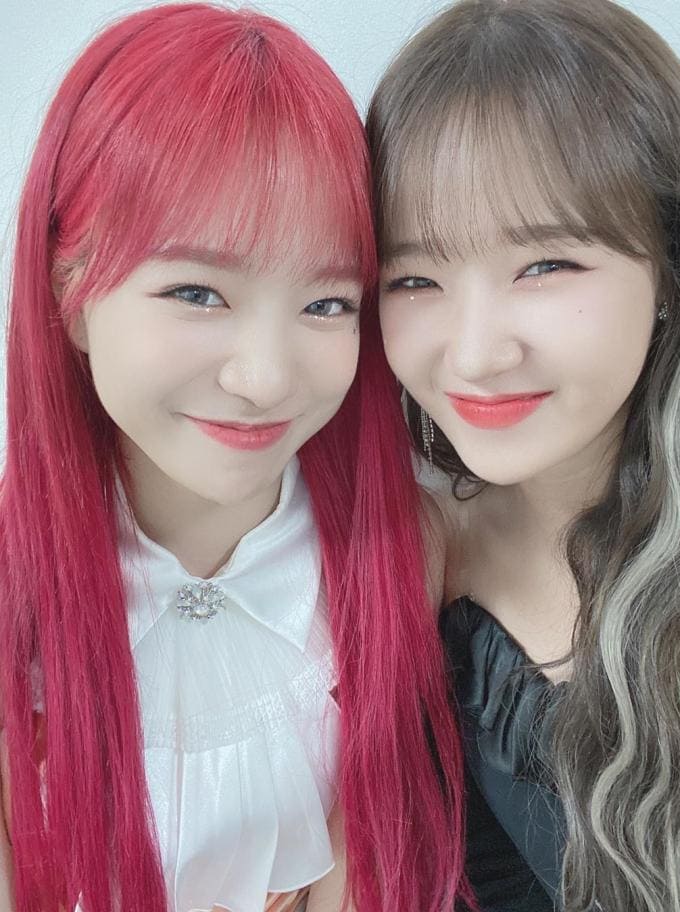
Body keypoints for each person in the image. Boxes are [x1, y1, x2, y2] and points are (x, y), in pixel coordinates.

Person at [0, 5, 466, 911]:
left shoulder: (400, 551)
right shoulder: (15, 582)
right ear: (71, 291)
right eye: (197, 292)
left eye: (326, 304)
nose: (264, 379)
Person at [367, 1, 680, 910]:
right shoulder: (419, 556)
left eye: (544, 266)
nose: (475, 354)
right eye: (416, 278)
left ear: (672, 267)